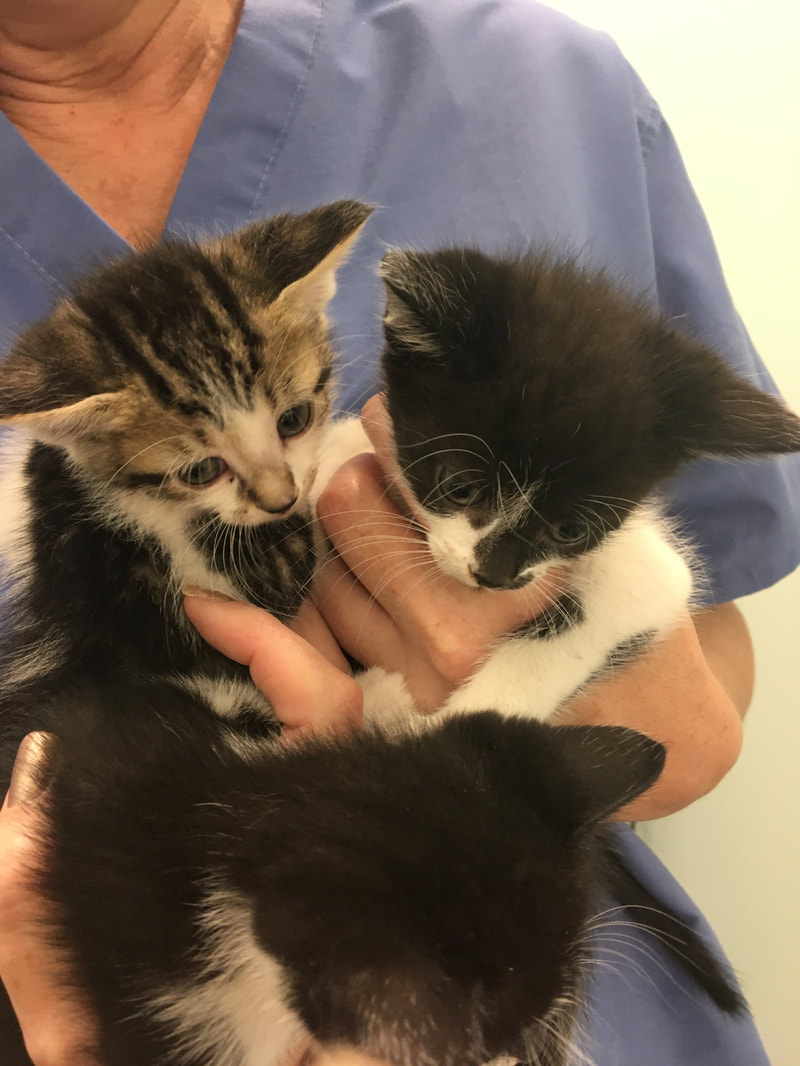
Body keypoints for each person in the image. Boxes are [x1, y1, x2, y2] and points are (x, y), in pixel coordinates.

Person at [0, 0, 796, 1063]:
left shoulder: (533, 86)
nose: (277, 491)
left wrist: (642, 715)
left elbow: (702, 676)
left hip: (534, 976)